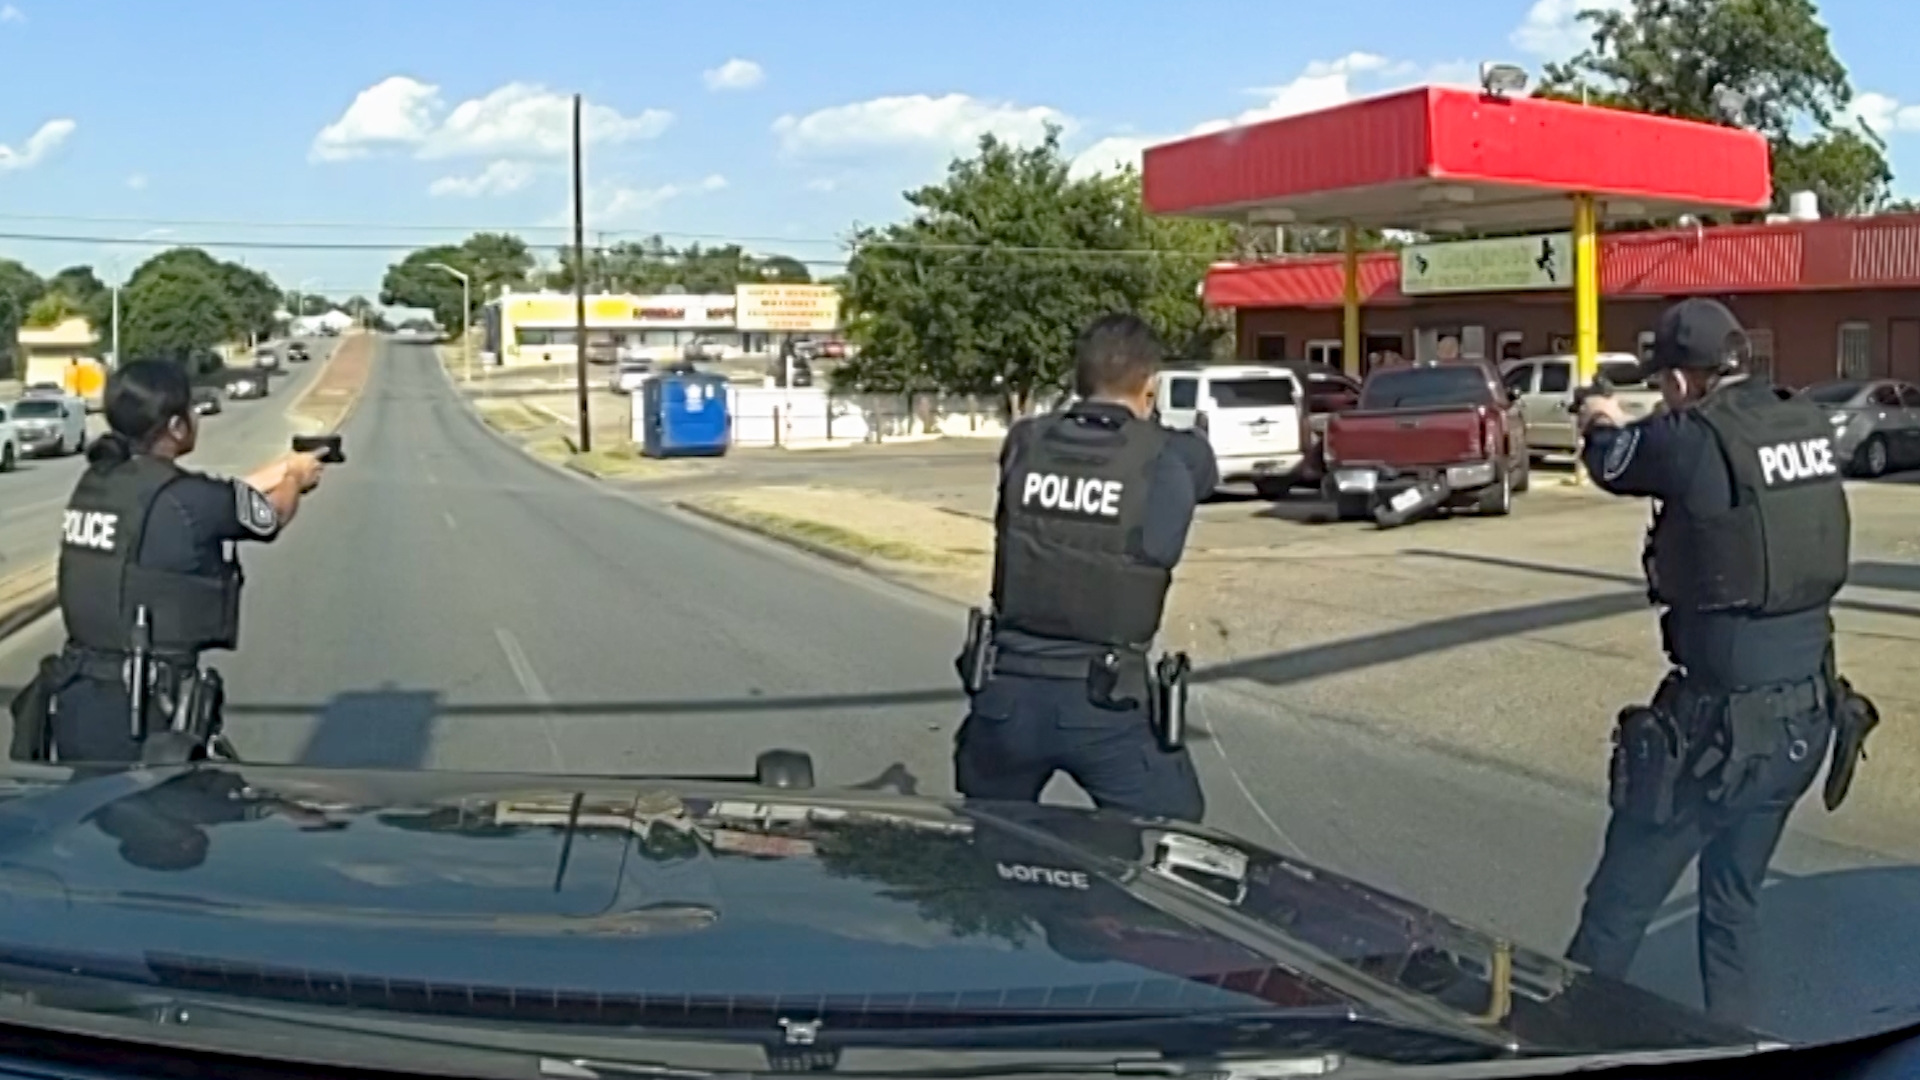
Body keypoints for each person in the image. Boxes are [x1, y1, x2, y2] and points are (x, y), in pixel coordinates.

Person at [1564, 298, 1853, 1028]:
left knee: (1615, 910)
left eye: (1665, 380)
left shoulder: (1692, 436)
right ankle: (1738, 1041)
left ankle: (1559, 1044)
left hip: (1719, 737)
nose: (1663, 393)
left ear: (1687, 379)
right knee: (1731, 907)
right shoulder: (1803, 420)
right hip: (1808, 715)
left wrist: (1597, 411)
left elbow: (1612, 459)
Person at [952, 313, 1218, 822]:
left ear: (1078, 380)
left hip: (1006, 699)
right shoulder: (1168, 456)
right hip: (1107, 706)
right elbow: (1202, 466)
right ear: (1152, 387)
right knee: (1175, 837)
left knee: (986, 840)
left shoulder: (1025, 443)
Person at [9, 359, 324, 765]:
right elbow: (270, 515)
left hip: (77, 699)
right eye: (190, 411)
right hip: (148, 713)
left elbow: (218, 499)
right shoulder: (186, 500)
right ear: (176, 426)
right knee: (170, 822)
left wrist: (286, 465)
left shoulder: (100, 481)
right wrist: (296, 480)